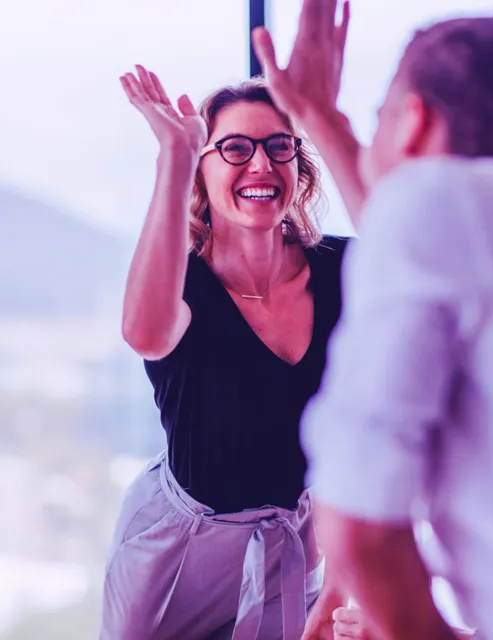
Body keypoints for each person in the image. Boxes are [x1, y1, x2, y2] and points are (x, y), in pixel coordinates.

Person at [253, 4, 493, 640]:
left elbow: (359, 523)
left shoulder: (436, 204)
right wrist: (320, 117)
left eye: (377, 118)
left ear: (415, 123)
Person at [100, 65, 354, 640]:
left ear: (298, 165)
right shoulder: (180, 282)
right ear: (201, 170)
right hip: (177, 553)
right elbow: (145, 334)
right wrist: (174, 154)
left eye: (278, 146)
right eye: (235, 148)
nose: (260, 164)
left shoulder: (344, 270)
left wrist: (339, 587)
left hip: (292, 542)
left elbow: (360, 440)